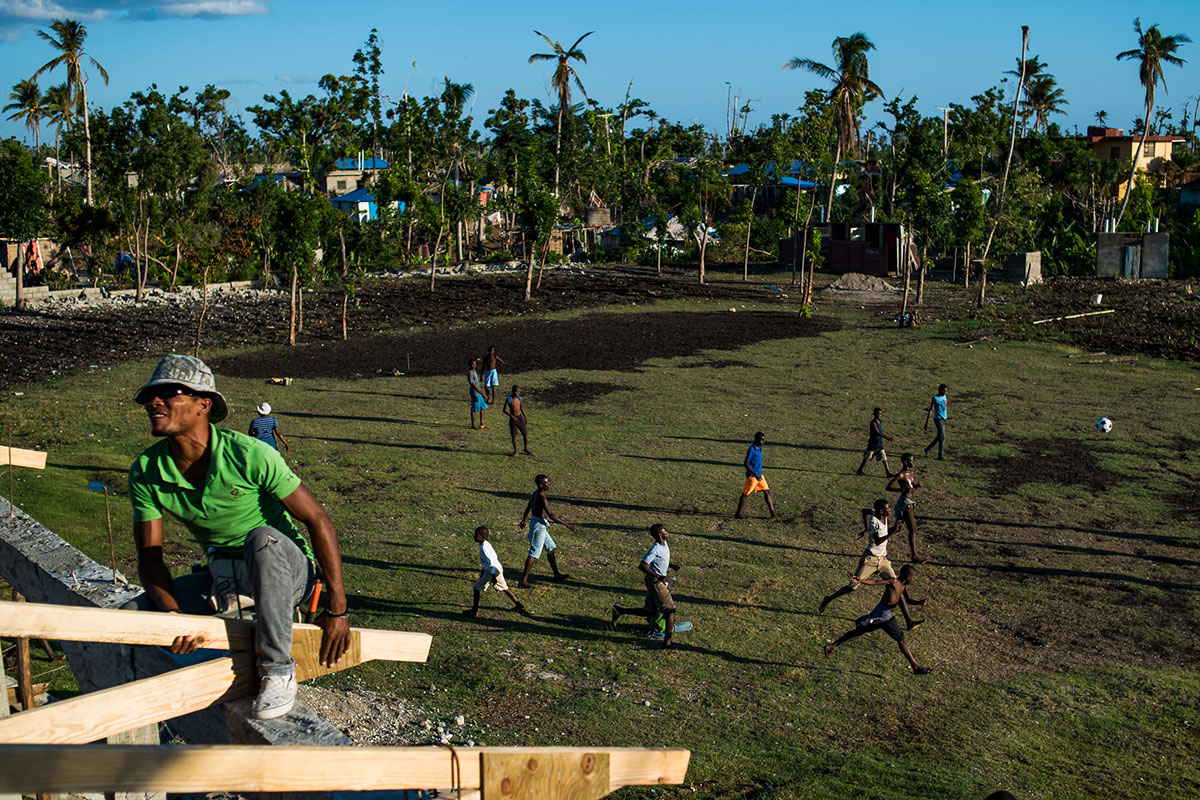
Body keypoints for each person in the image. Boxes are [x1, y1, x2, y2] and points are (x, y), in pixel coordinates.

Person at [124, 354, 350, 720]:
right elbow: (150, 558)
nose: (155, 402)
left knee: (261, 539)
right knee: (133, 614)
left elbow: (318, 519)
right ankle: (171, 695)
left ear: (203, 405)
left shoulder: (249, 455)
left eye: (170, 393)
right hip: (225, 577)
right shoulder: (148, 470)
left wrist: (337, 608)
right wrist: (175, 617)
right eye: (151, 395)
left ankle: (277, 671)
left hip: (287, 571)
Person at [823, 564, 931, 675]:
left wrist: (919, 602)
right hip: (884, 616)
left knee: (859, 631)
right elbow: (875, 583)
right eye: (914, 577)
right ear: (908, 577)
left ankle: (831, 646)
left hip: (882, 614)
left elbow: (908, 600)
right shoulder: (893, 582)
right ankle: (916, 667)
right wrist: (861, 581)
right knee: (901, 640)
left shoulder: (904, 586)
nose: (914, 579)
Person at [819, 499, 901, 614]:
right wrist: (876, 529)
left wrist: (893, 529)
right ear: (882, 511)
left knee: (896, 584)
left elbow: (865, 511)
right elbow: (878, 541)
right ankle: (828, 599)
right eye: (888, 508)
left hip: (882, 560)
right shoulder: (874, 521)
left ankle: (908, 620)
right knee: (852, 586)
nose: (890, 510)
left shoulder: (879, 514)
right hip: (869, 560)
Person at [610, 524, 681, 647]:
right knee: (670, 611)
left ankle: (619, 610)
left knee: (651, 611)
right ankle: (667, 642)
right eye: (665, 531)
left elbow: (660, 561)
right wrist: (659, 577)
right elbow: (643, 565)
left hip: (656, 581)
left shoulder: (664, 544)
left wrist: (672, 565)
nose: (668, 532)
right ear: (660, 535)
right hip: (656, 583)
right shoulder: (656, 548)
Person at [516, 474, 574, 587]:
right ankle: (523, 581)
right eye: (547, 482)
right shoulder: (542, 496)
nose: (549, 484)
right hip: (539, 526)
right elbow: (551, 515)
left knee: (551, 547)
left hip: (537, 523)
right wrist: (566, 524)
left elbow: (528, 507)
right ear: (541, 485)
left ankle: (556, 574)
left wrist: (524, 520)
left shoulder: (535, 493)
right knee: (534, 553)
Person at [464, 526, 524, 617]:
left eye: (476, 536)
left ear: (482, 537)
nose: (474, 537)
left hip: (492, 571)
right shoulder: (486, 544)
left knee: (476, 588)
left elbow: (490, 562)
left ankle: (474, 611)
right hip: (498, 568)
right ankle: (518, 604)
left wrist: (493, 577)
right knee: (504, 587)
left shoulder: (484, 548)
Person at [886, 453, 926, 563]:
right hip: (905, 503)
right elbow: (888, 487)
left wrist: (916, 486)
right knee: (913, 529)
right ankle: (914, 556)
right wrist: (901, 490)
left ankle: (879, 536)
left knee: (897, 528)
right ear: (905, 462)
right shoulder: (901, 475)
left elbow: (910, 488)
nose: (913, 463)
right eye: (911, 461)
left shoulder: (911, 473)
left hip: (909, 501)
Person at [735, 432, 776, 519]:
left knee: (767, 491)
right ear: (756, 440)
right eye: (761, 440)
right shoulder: (751, 449)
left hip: (760, 475)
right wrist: (755, 474)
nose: (763, 442)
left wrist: (758, 474)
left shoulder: (760, 448)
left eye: (763, 440)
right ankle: (738, 513)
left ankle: (773, 513)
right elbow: (746, 463)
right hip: (752, 477)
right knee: (745, 494)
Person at [856, 407, 892, 476]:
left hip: (879, 443)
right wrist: (887, 437)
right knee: (867, 458)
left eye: (880, 413)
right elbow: (878, 432)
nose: (879, 415)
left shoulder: (880, 421)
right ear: (874, 414)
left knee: (884, 458)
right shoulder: (873, 423)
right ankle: (859, 470)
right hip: (873, 444)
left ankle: (888, 473)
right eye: (878, 413)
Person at [502, 385, 532, 457]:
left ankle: (526, 448)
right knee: (514, 436)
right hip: (513, 419)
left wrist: (525, 417)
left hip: (520, 418)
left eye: (518, 391)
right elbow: (504, 410)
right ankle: (515, 451)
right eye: (516, 391)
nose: (517, 393)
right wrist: (512, 416)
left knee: (525, 434)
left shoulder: (520, 398)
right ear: (513, 391)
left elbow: (521, 408)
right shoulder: (509, 399)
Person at [924, 384, 948, 460]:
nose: (945, 392)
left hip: (943, 419)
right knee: (942, 438)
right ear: (939, 390)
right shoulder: (935, 398)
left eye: (946, 391)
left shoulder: (944, 397)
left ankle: (927, 449)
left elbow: (946, 408)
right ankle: (940, 455)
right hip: (938, 419)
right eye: (943, 390)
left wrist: (946, 418)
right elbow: (931, 410)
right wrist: (927, 422)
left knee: (939, 437)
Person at [468, 359, 488, 430]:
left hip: (478, 392)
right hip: (475, 393)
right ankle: (473, 425)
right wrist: (482, 393)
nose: (474, 366)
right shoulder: (470, 373)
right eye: (473, 364)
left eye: (475, 364)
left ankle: (482, 423)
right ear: (470, 365)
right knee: (474, 409)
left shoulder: (474, 371)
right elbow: (473, 384)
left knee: (484, 407)